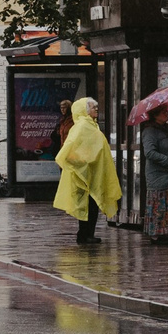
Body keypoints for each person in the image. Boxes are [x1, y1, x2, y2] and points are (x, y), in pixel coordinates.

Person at [51, 97, 121, 247]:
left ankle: (87, 233)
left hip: (91, 172)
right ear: (85, 110)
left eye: (96, 107)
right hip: (86, 173)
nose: (96, 109)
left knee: (90, 203)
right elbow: (70, 149)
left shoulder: (90, 125)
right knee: (88, 203)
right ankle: (85, 234)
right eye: (93, 107)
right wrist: (82, 162)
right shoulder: (83, 126)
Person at [137, 105, 168, 246]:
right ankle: (157, 235)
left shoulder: (167, 129)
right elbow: (150, 152)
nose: (167, 114)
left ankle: (165, 233)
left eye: (166, 111)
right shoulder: (149, 131)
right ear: (155, 115)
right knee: (159, 205)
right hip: (159, 176)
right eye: (163, 112)